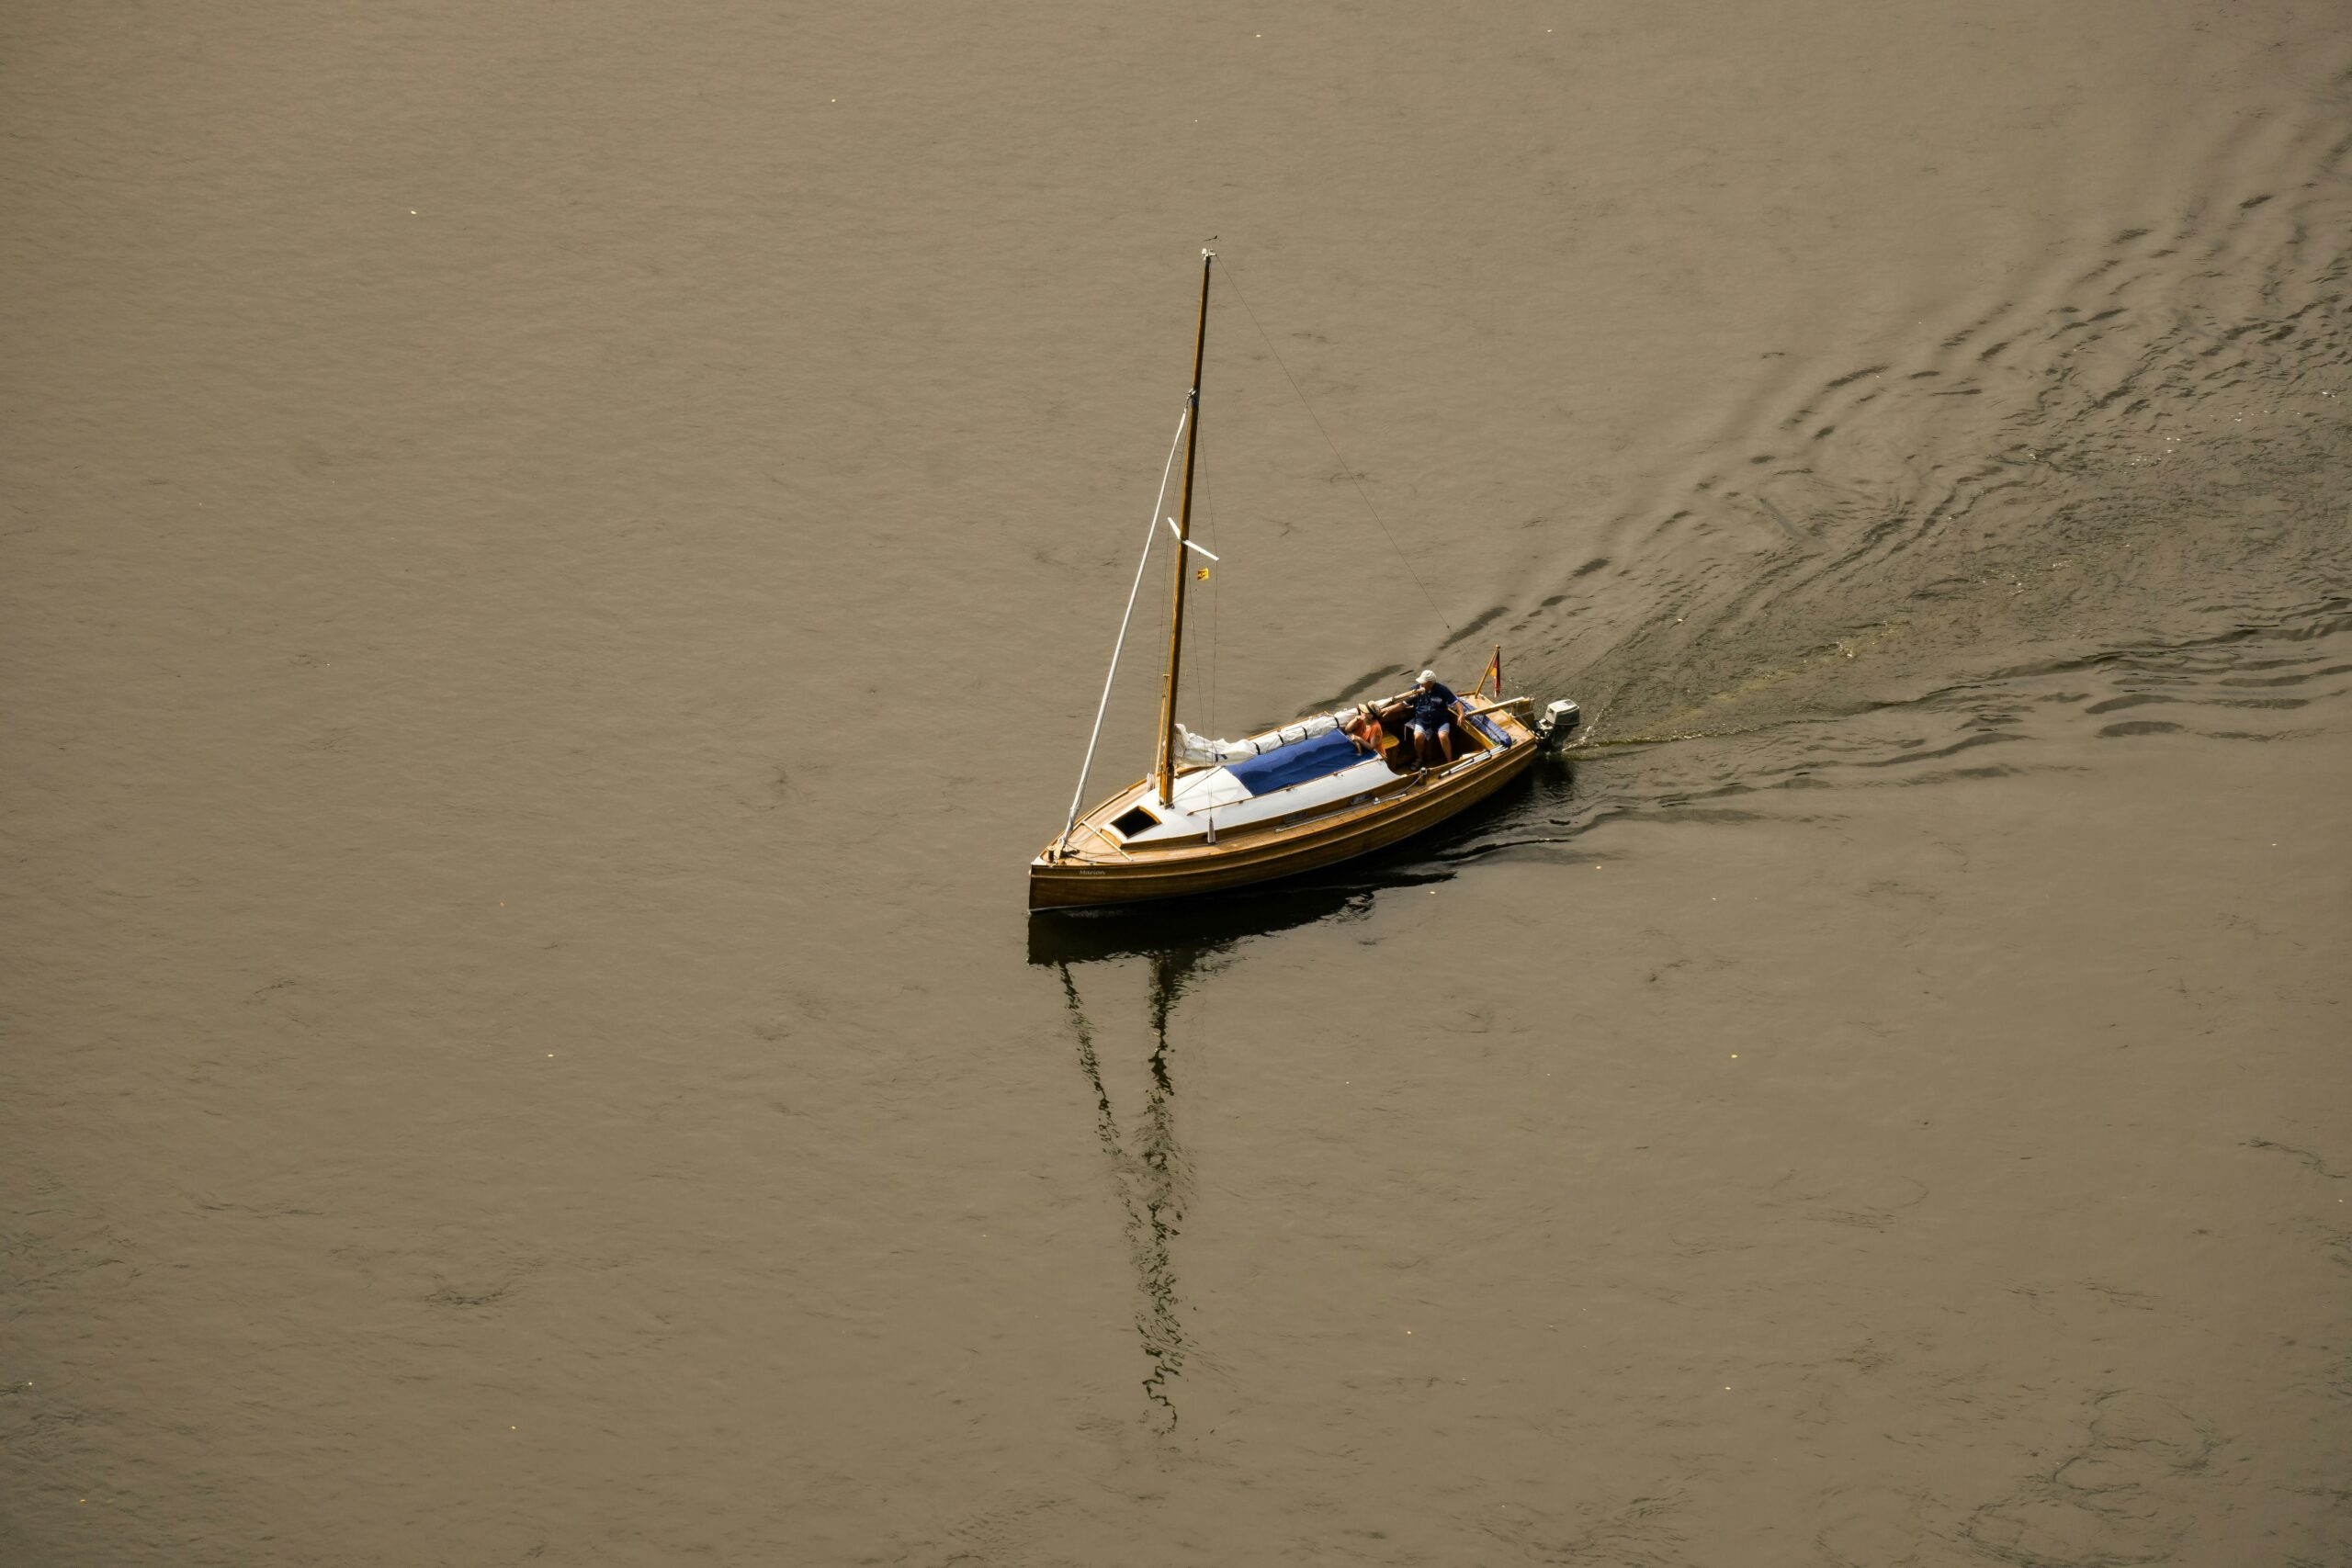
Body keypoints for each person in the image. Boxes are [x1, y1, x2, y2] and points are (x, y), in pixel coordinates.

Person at [1406, 669, 1460, 767]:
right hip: (1422, 721)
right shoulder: (1415, 690)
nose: (1421, 685)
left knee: (1443, 736)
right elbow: (1403, 704)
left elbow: (1455, 702)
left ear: (1430, 683)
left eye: (1423, 683)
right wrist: (1388, 710)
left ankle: (1450, 762)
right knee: (1418, 737)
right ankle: (1419, 758)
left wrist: (1462, 715)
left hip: (1441, 721)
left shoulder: (1442, 689)